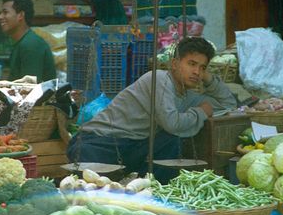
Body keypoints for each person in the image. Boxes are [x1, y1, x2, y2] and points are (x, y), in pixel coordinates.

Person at [67, 37, 237, 183]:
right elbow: (172, 123)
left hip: (132, 147)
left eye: (202, 67)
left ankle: (155, 190)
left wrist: (207, 77)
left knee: (172, 140)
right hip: (98, 143)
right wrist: (200, 112)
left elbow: (228, 103)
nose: (196, 72)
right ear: (175, 64)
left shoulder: (188, 95)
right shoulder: (158, 78)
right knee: (97, 188)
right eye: (191, 64)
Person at [0, 0, 56, 82]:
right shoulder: (22, 43)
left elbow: (29, 88)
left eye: (5, 12)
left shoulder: (30, 44)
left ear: (20, 15)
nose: (0, 17)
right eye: (0, 13)